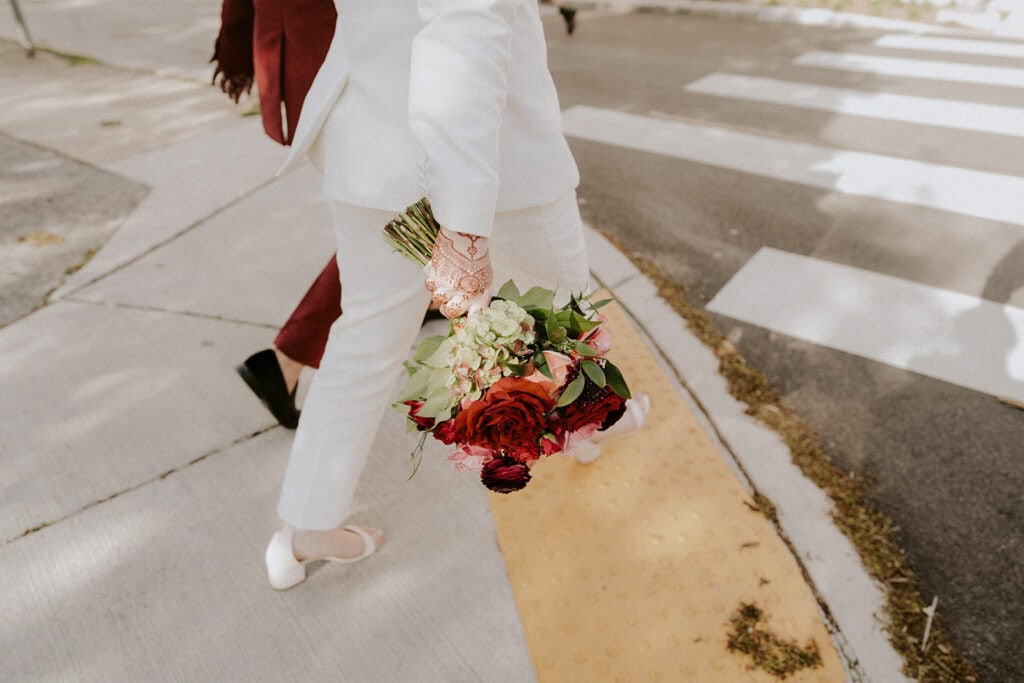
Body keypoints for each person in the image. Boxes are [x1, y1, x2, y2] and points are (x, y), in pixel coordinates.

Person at [263, 0, 647, 591]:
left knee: (365, 341)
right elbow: (466, 27)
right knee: (566, 319)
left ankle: (307, 531)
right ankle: (595, 425)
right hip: (492, 158)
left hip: (366, 136)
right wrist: (464, 227)